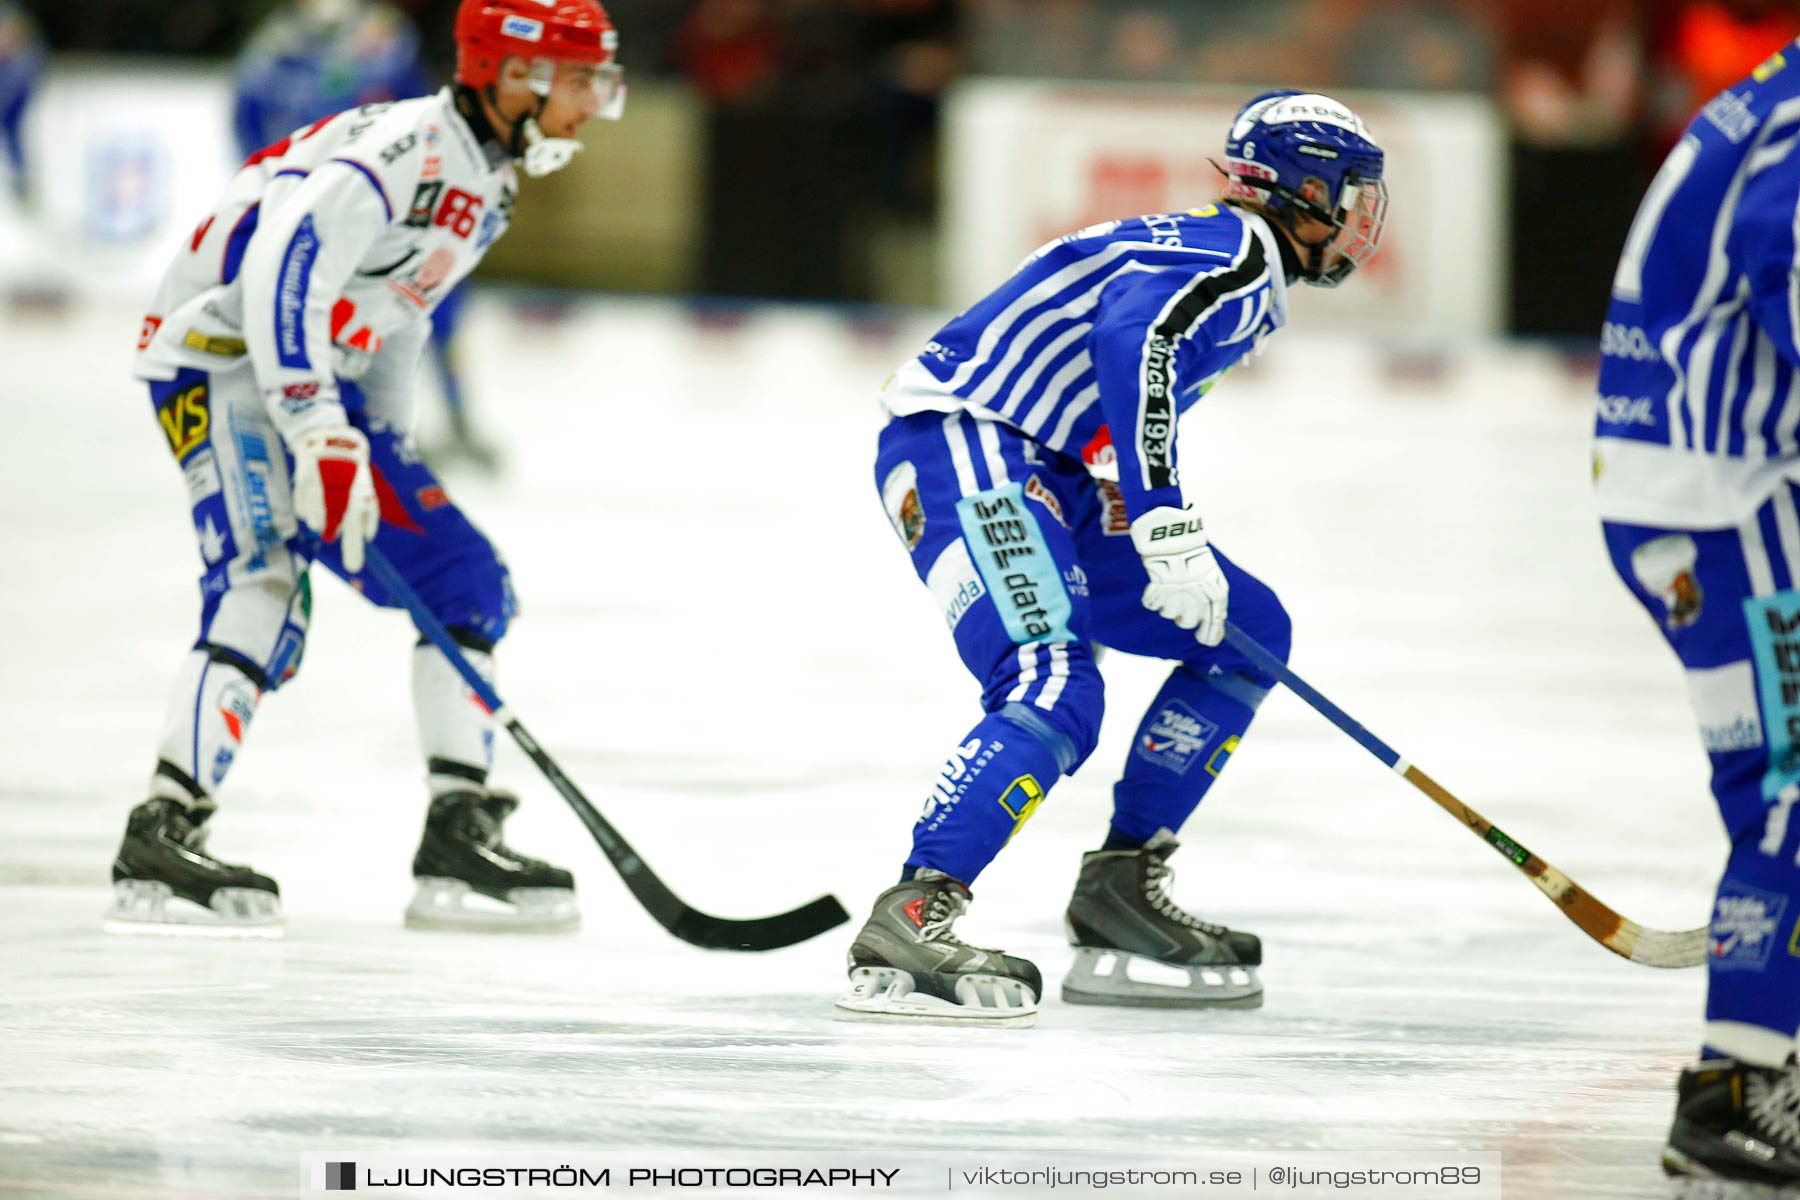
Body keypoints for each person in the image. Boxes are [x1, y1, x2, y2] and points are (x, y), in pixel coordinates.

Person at [836, 91, 1388, 1027]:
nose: (1364, 218)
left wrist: (1132, 502)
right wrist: (1167, 524)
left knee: (1249, 632)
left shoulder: (1221, 254)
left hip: (1041, 465)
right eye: (1352, 193)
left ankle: (1122, 882)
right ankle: (916, 909)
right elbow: (1140, 346)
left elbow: (1100, 370)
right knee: (1053, 677)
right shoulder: (1234, 258)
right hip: (973, 448)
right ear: (1305, 190)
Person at [108, 0, 626, 939]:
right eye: (582, 79)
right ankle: (163, 826)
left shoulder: (490, 177)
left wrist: (382, 445)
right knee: (264, 578)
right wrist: (318, 432)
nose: (596, 104)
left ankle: (458, 827)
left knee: (461, 576)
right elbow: (278, 272)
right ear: (516, 77)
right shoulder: (403, 150)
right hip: (216, 362)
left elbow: (399, 314)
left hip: (308, 381)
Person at [1593, 37, 1800, 1187]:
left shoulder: (1770, 92)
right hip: (1733, 492)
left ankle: (1763, 1043)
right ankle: (1733, 1087)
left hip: (1682, 490)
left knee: (1772, 785)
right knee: (1797, 784)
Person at [235, 0, 500, 469]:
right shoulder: (276, 43)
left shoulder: (383, 37)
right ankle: (306, 420)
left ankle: (452, 417)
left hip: (388, 197)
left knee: (431, 305)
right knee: (309, 311)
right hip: (313, 202)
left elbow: (424, 111)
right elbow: (247, 114)